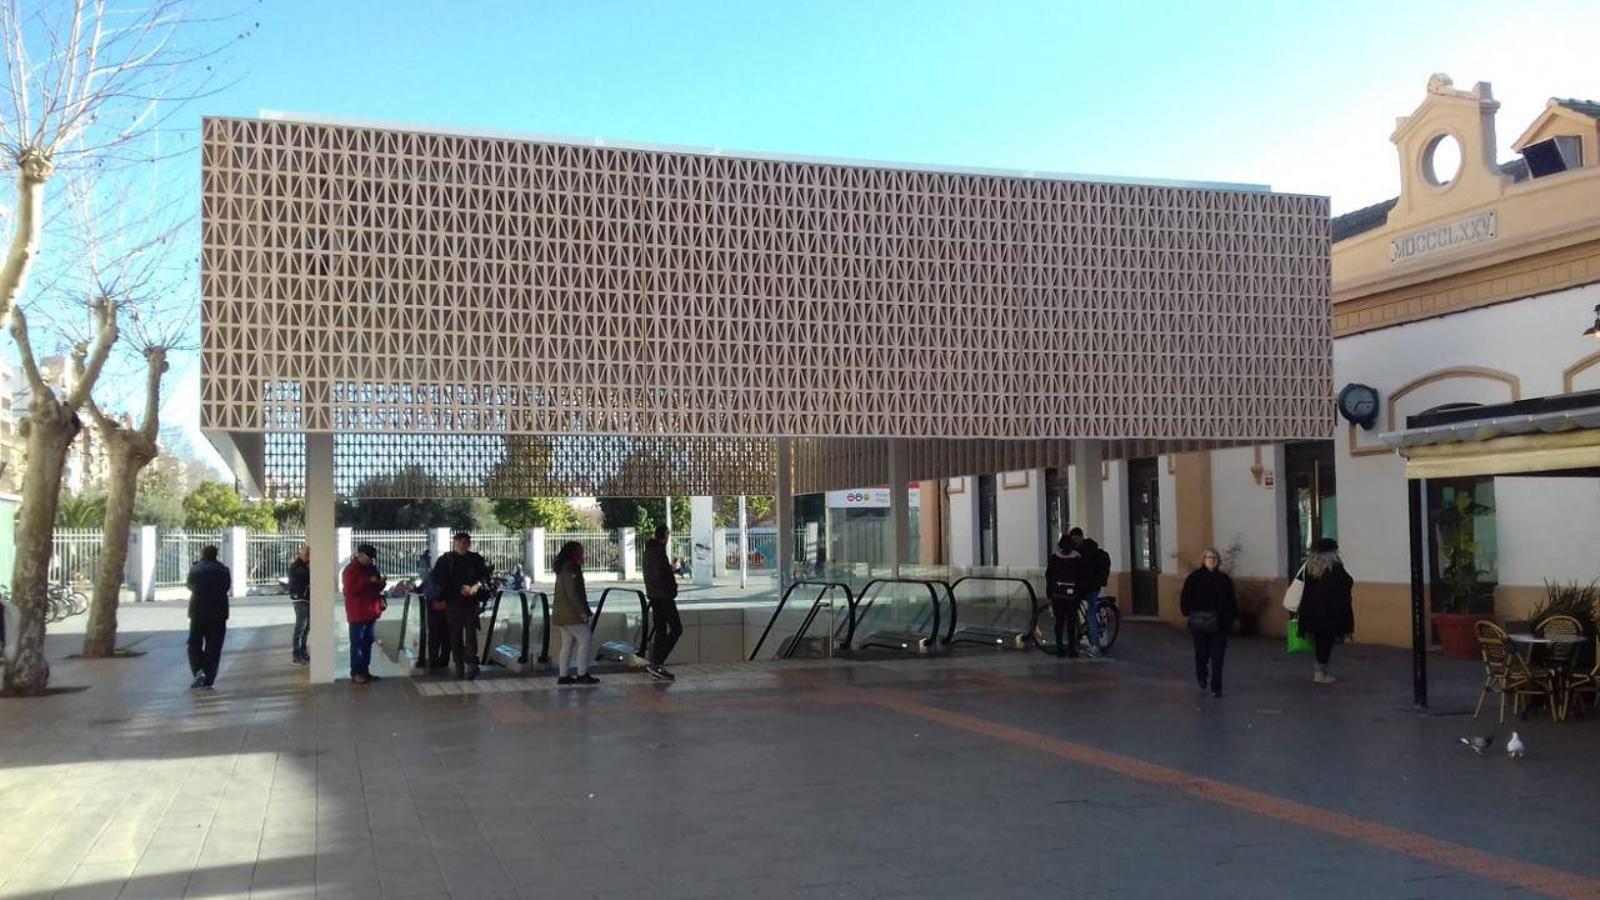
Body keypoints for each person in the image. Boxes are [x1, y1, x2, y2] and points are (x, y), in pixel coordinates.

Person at [429, 532, 491, 680]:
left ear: (469, 544)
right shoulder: (446, 560)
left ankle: (471, 662)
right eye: (460, 542)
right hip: (453, 602)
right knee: (455, 635)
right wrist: (459, 588)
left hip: (471, 602)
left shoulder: (475, 559)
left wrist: (476, 586)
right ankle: (458, 665)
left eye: (466, 542)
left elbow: (484, 576)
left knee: (471, 634)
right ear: (455, 543)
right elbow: (439, 578)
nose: (463, 545)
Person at [1295, 538, 1355, 684]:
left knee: (1318, 641)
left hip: (1310, 612)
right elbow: (1347, 583)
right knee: (1326, 642)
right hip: (1329, 613)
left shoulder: (1309, 568)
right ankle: (1320, 672)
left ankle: (1320, 670)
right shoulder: (1334, 568)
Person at [1180, 548, 1237, 698]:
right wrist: (1187, 611)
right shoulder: (1194, 578)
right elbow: (1185, 597)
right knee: (1202, 654)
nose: (1211, 560)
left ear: (1218, 561)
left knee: (1218, 657)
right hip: (1200, 623)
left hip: (1220, 624)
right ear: (1203, 560)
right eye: (1208, 557)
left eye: (1214, 557)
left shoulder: (1224, 579)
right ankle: (1201, 673)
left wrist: (1233, 618)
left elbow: (1231, 601)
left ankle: (1216, 687)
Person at [551, 541, 599, 686]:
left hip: (561, 614)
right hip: (571, 614)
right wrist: (582, 611)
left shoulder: (562, 568)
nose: (583, 554)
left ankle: (563, 675)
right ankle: (582, 673)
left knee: (567, 644)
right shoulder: (572, 568)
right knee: (585, 639)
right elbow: (573, 593)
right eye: (581, 551)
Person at [186, 545, 232, 690]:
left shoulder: (196, 569)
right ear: (216, 555)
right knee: (214, 646)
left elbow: (189, 586)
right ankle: (209, 678)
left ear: (203, 554)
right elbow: (227, 587)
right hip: (218, 612)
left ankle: (198, 670)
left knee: (194, 643)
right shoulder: (223, 570)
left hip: (198, 612)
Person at [342, 543, 387, 684]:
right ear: (360, 555)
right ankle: (356, 672)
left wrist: (381, 582)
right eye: (369, 558)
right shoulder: (350, 570)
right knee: (357, 644)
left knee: (368, 643)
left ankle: (365, 671)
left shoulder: (371, 568)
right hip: (357, 613)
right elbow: (350, 590)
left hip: (371, 611)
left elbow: (377, 587)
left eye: (373, 559)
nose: (371, 561)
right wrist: (367, 581)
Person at [642, 524, 682, 681]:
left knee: (660, 630)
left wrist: (668, 570)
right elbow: (660, 574)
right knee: (676, 629)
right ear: (665, 536)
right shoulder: (658, 551)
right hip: (663, 596)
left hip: (654, 595)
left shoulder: (648, 550)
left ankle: (657, 666)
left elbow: (655, 572)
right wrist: (671, 571)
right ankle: (657, 662)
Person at [1069, 528, 1112, 657]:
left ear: (1081, 538)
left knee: (1091, 613)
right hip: (1086, 587)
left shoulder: (1086, 552)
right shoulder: (1080, 551)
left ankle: (1095, 646)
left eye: (1077, 539)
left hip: (1091, 587)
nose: (1075, 542)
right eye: (1073, 540)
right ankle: (1080, 638)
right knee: (1076, 609)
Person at [1044, 536, 1087, 658]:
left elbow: (1049, 576)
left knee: (1059, 623)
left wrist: (1050, 594)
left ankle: (1059, 648)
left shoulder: (1054, 558)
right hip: (1072, 596)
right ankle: (1071, 649)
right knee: (1071, 622)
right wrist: (1080, 593)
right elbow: (1081, 577)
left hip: (1057, 595)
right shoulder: (1077, 558)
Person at [287, 544, 311, 666]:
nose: (309, 557)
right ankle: (296, 655)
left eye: (310, 554)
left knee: (306, 628)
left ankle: (303, 652)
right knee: (300, 628)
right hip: (300, 599)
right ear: (300, 554)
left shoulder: (304, 566)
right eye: (307, 554)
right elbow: (305, 577)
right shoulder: (296, 567)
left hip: (306, 599)